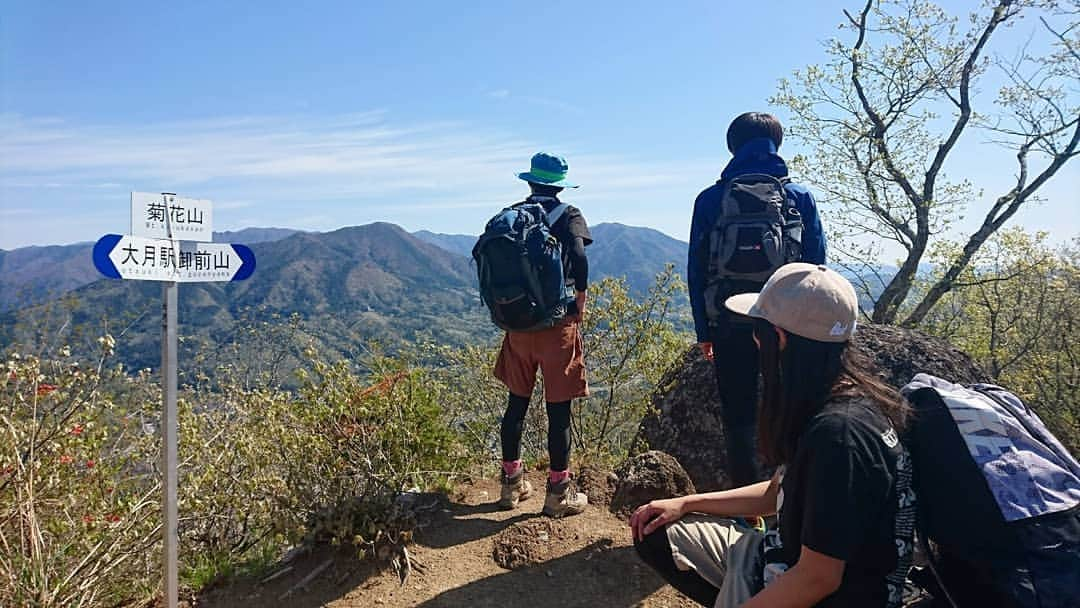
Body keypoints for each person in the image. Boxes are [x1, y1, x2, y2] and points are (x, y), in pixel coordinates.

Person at [631, 263, 915, 607]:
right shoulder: (843, 399)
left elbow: (818, 578)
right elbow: (775, 495)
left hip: (823, 591)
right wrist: (685, 502)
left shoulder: (838, 437)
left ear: (778, 338)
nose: (753, 339)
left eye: (757, 329)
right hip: (783, 557)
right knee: (657, 533)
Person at [687, 112, 827, 488]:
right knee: (794, 408)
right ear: (777, 146)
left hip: (729, 319)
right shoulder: (798, 198)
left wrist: (705, 329)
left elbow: (697, 269)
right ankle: (795, 499)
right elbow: (818, 268)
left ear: (733, 147)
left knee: (739, 417)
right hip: (787, 322)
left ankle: (746, 514)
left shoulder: (711, 199)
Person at [493, 152, 591, 517]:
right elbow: (579, 260)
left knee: (515, 405)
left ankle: (511, 484)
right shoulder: (568, 215)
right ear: (561, 184)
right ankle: (558, 493)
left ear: (530, 182)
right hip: (557, 327)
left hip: (519, 325)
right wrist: (580, 300)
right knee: (558, 411)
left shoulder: (513, 215)